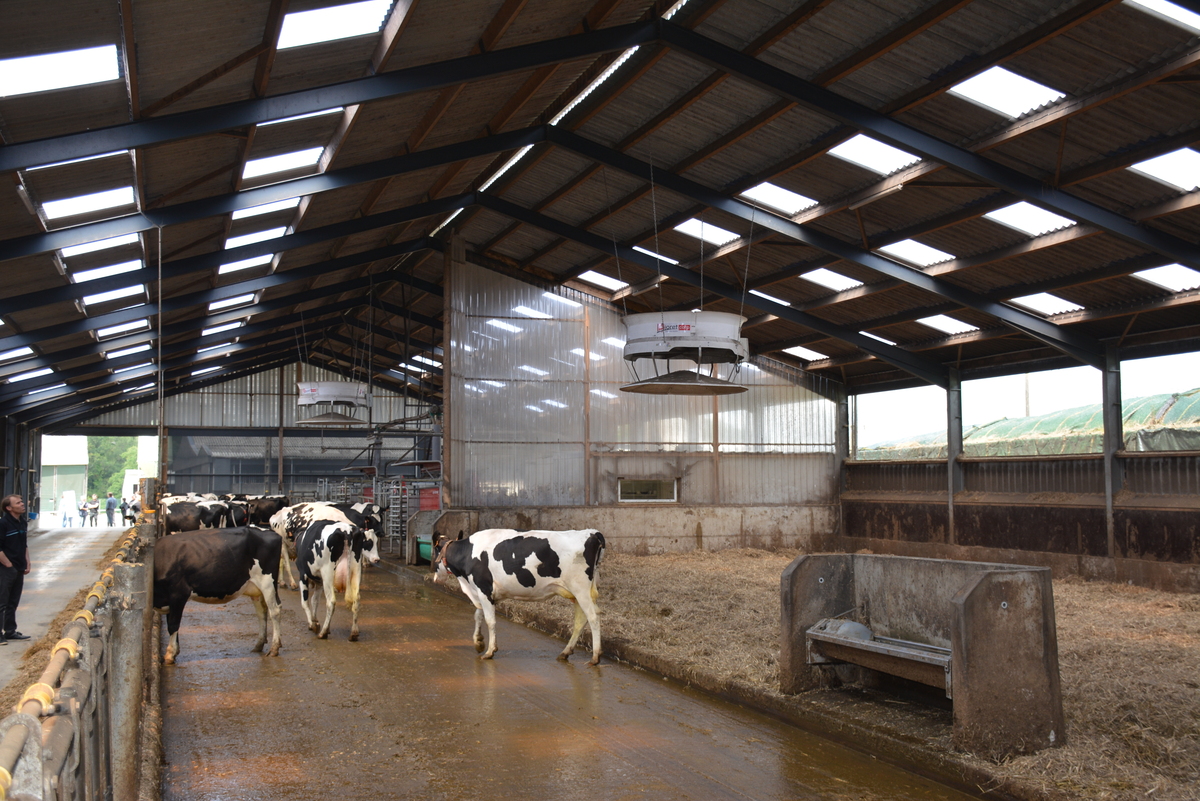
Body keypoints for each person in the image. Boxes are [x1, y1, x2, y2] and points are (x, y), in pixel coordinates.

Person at [0, 495, 32, 645]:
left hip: (19, 567)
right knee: (2, 602)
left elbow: (24, 544)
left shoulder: (22, 522)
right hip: (6, 569)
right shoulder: (3, 524)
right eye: (18, 503)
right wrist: (8, 566)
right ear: (9, 508)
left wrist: (28, 562)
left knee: (13, 601)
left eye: (21, 501)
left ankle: (10, 631)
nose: (22, 504)